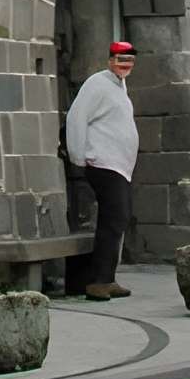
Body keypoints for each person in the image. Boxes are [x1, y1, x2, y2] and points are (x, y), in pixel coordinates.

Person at [65, 39, 139, 299]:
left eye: (129, 61)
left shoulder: (119, 87)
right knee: (115, 217)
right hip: (103, 162)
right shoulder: (97, 83)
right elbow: (76, 117)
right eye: (120, 60)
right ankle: (98, 281)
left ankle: (107, 277)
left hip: (118, 165)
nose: (125, 65)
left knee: (117, 218)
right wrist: (78, 156)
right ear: (110, 60)